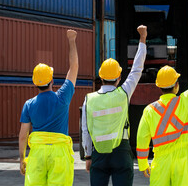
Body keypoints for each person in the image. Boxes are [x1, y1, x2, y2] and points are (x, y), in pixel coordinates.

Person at [136, 39, 188, 186]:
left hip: (161, 163)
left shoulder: (149, 110)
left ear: (159, 86)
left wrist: (142, 164)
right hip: (182, 162)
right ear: (176, 85)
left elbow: (142, 138)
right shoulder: (186, 101)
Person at [81, 25, 147, 186]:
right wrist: (142, 39)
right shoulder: (123, 94)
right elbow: (137, 69)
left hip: (99, 154)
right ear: (118, 77)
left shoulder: (89, 99)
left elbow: (86, 130)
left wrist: (88, 156)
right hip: (121, 152)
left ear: (101, 78)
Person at [18, 29, 78, 186]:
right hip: (59, 153)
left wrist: (22, 158)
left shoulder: (29, 104)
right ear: (52, 80)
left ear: (35, 83)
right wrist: (71, 40)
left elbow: (23, 135)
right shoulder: (62, 97)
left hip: (37, 153)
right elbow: (74, 67)